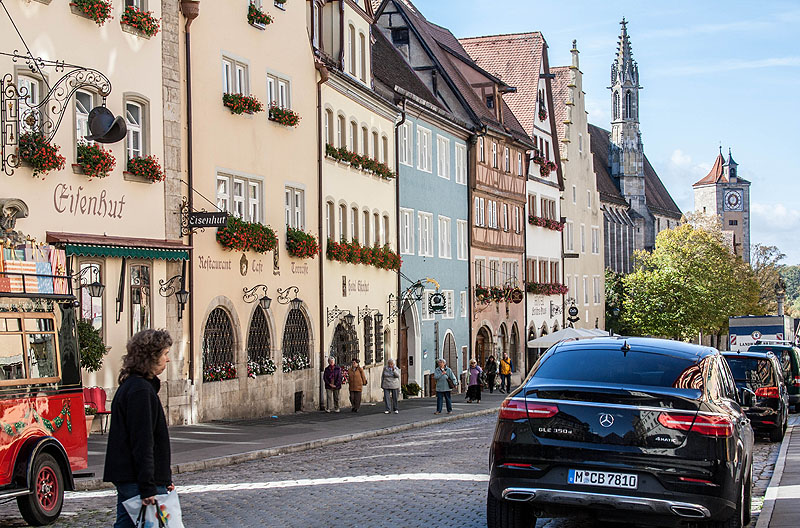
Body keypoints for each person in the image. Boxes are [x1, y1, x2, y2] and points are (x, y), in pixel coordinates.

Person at [103, 329, 175, 528]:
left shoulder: (135, 387)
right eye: (165, 354)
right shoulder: (140, 391)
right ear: (151, 357)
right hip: (137, 479)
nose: (167, 360)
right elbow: (142, 442)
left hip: (133, 477)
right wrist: (148, 486)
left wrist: (164, 476)